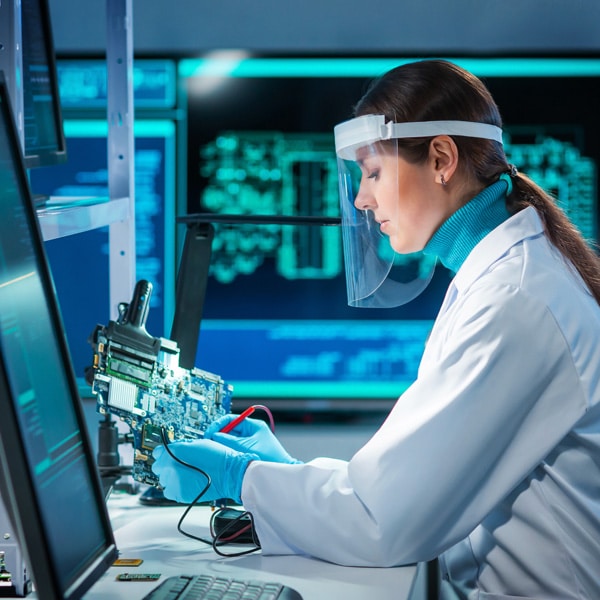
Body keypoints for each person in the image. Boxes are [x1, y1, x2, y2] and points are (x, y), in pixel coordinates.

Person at [152, 59, 600, 599]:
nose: (362, 199)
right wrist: (284, 471)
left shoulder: (516, 299)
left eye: (373, 172)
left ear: (441, 158)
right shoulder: (503, 277)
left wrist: (239, 480)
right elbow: (405, 484)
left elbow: (385, 521)